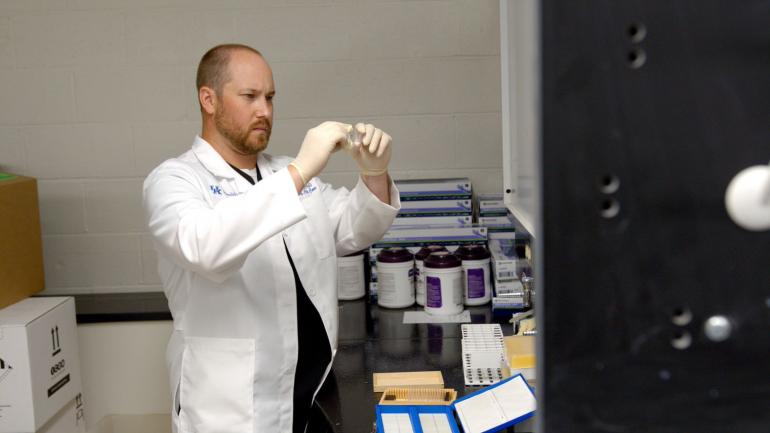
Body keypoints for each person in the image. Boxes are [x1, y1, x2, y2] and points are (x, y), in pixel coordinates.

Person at [142, 44, 400, 433]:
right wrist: (300, 172)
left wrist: (374, 172)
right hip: (229, 412)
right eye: (249, 96)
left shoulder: (283, 173)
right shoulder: (174, 180)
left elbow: (353, 228)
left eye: (270, 97)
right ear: (208, 99)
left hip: (309, 398)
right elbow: (203, 247)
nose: (264, 110)